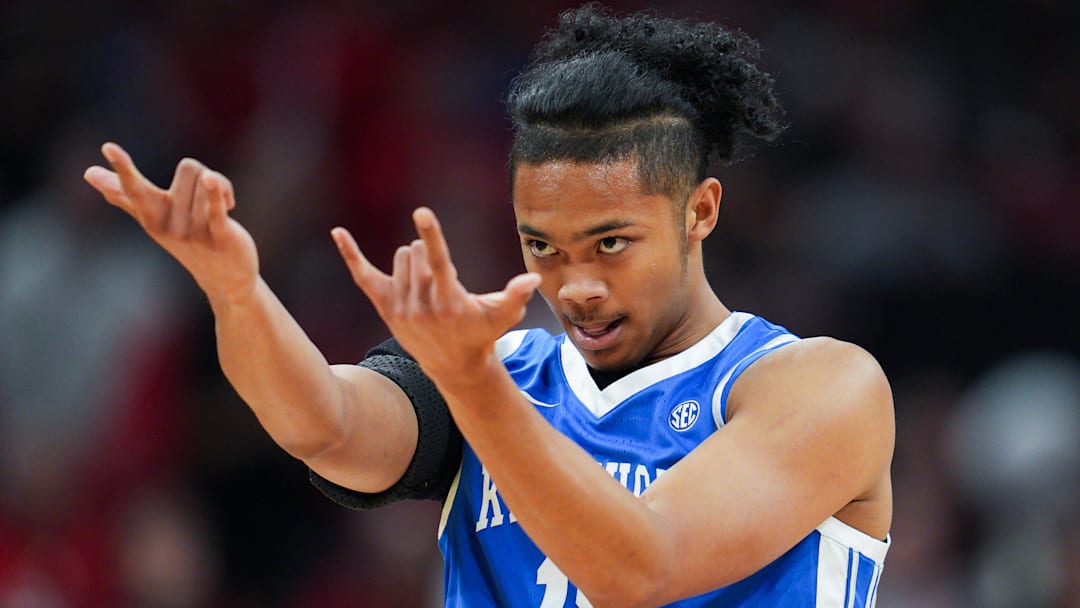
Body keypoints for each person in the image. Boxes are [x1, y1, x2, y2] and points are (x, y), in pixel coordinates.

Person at [84, 4, 894, 606]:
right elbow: (323, 424)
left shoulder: (820, 386)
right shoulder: (503, 370)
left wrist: (474, 385)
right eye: (543, 246)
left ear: (700, 211)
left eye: (611, 243)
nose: (575, 284)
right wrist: (236, 291)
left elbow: (643, 567)